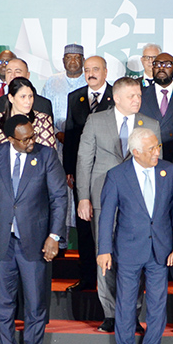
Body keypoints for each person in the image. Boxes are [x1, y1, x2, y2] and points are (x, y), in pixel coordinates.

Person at [0, 115, 67, 344]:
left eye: (32, 136)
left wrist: (54, 236)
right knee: (2, 300)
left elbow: (59, 198)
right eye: (24, 139)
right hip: (2, 240)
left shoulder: (46, 156)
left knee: (35, 299)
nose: (30, 143)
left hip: (35, 240)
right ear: (10, 138)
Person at [76, 76, 160, 333]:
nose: (137, 100)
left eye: (139, 96)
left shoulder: (151, 124)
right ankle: (110, 314)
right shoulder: (96, 120)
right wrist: (83, 197)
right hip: (103, 198)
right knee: (105, 255)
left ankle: (131, 314)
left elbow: (156, 164)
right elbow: (84, 160)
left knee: (134, 260)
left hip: (137, 205)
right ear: (116, 97)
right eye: (132, 96)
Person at [99, 128, 173, 344]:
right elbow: (106, 217)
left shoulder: (169, 171)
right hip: (128, 249)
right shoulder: (116, 175)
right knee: (125, 303)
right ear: (135, 152)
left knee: (157, 304)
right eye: (151, 149)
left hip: (161, 249)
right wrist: (104, 250)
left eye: (158, 146)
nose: (158, 152)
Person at [64, 56, 114, 292]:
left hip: (110, 175)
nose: (91, 73)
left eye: (95, 69)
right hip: (82, 173)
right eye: (87, 70)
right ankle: (87, 278)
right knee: (84, 227)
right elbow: (71, 136)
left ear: (105, 71)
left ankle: (109, 280)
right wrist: (69, 170)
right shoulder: (75, 97)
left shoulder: (118, 96)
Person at [0, 59, 55, 137]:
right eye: (9, 72)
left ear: (27, 75)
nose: (12, 76)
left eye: (17, 72)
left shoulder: (42, 104)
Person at [0, 78, 56, 152]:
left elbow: (49, 155)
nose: (28, 101)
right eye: (23, 97)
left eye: (30, 96)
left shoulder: (42, 120)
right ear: (11, 98)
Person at [43, 43, 88, 133]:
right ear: (63, 60)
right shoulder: (52, 81)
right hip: (55, 135)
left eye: (77, 57)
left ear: (83, 60)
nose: (72, 61)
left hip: (85, 136)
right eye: (68, 57)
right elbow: (44, 111)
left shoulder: (89, 81)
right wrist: (57, 133)